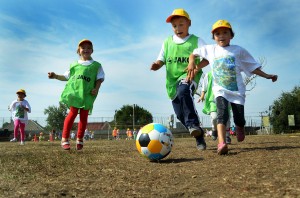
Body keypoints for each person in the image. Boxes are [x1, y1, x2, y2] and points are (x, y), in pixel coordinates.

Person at [188, 19, 278, 154]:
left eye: (225, 32)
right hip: (220, 90)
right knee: (221, 115)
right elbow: (193, 54)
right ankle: (222, 143)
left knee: (238, 118)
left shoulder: (238, 50)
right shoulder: (211, 49)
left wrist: (267, 75)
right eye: (217, 34)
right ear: (213, 37)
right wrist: (192, 64)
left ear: (231, 35)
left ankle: (240, 126)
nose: (221, 36)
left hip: (237, 91)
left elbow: (252, 67)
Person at [150, 8, 207, 150]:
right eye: (174, 26)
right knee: (180, 115)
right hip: (171, 82)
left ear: (189, 24)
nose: (178, 28)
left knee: (183, 90)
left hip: (189, 77)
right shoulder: (167, 42)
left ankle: (193, 124)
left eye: (181, 24)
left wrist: (196, 67)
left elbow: (208, 58)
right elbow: (160, 60)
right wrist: (156, 65)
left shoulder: (197, 41)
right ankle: (199, 135)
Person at [48, 39, 105, 150]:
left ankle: (80, 139)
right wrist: (55, 76)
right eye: (83, 47)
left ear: (92, 51)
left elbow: (100, 78)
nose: (86, 49)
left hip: (88, 94)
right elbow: (66, 77)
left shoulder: (96, 65)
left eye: (89, 48)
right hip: (75, 94)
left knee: (83, 117)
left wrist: (96, 89)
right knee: (72, 114)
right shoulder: (74, 65)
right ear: (78, 51)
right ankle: (64, 138)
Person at [198, 71, 231, 144]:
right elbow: (204, 86)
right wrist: (202, 95)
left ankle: (227, 136)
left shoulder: (227, 73)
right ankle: (214, 129)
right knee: (214, 117)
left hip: (225, 99)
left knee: (226, 118)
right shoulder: (209, 74)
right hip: (213, 100)